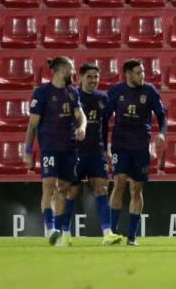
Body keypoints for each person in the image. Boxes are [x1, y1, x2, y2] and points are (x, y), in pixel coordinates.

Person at [23, 57, 87, 247]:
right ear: (62, 70)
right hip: (49, 146)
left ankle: (57, 233)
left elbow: (80, 115)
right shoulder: (42, 93)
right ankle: (50, 228)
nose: (73, 73)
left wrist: (82, 126)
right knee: (48, 185)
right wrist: (28, 150)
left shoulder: (72, 93)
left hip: (69, 147)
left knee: (63, 189)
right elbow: (32, 125)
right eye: (71, 69)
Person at [60, 63, 123, 246]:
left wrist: (106, 149)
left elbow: (104, 127)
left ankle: (107, 233)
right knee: (71, 192)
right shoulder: (71, 96)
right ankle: (64, 233)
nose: (93, 80)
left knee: (102, 188)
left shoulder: (103, 98)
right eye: (89, 77)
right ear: (80, 78)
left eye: (96, 77)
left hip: (96, 152)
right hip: (75, 152)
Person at [107, 59, 167, 246]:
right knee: (119, 183)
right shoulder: (116, 92)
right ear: (128, 74)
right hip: (120, 144)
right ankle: (112, 233)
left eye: (143, 72)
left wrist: (162, 133)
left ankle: (132, 236)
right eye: (138, 72)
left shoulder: (149, 91)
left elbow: (162, 116)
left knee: (136, 188)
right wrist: (104, 145)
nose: (142, 75)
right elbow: (104, 119)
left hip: (141, 146)